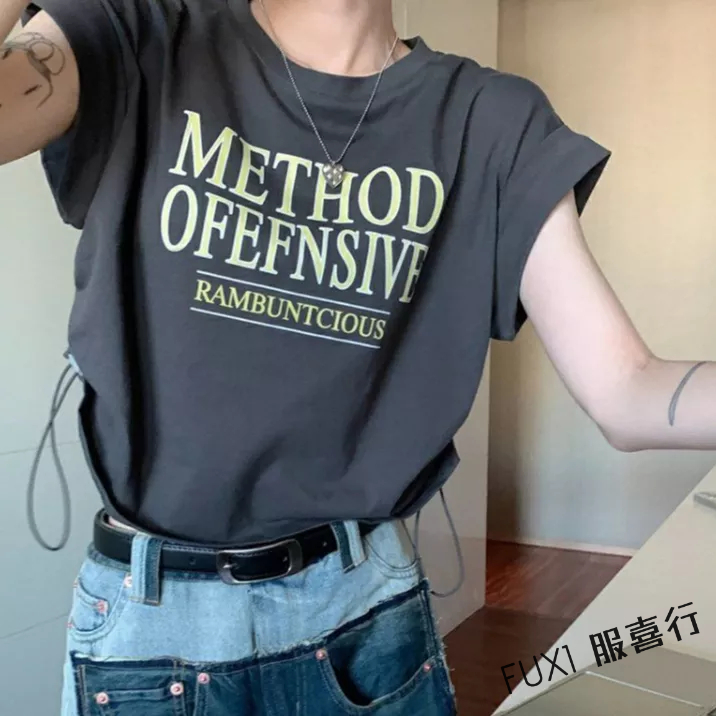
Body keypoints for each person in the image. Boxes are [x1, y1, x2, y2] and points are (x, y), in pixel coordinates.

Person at [1, 0, 715, 713]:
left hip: (363, 620)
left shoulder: (491, 120)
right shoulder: (135, 31)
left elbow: (627, 394)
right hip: (154, 632)